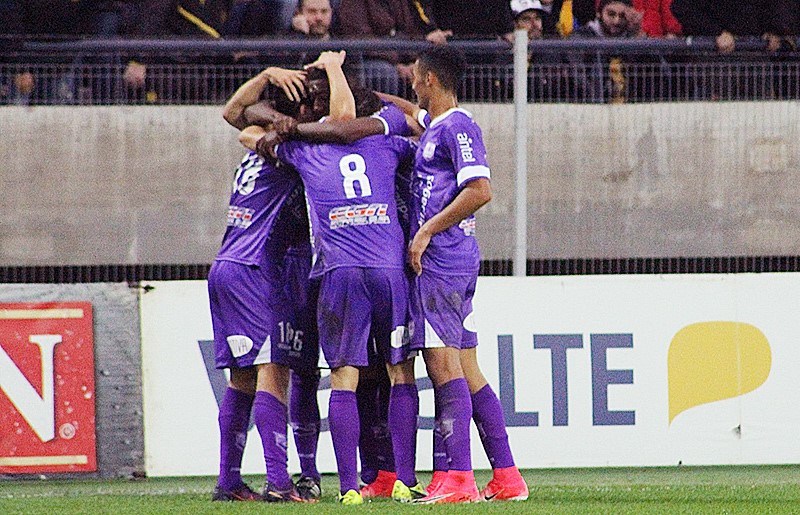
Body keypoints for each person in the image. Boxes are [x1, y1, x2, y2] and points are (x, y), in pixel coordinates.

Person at [240, 55, 423, 505]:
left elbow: (245, 128)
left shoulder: (304, 151)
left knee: (343, 376)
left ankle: (349, 488)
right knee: (400, 370)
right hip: (388, 268)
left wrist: (287, 126)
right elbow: (418, 123)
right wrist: (369, 100)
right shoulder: (387, 143)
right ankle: (406, 479)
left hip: (339, 272)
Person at [403, 45, 528, 503]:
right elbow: (410, 114)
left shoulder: (457, 126)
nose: (411, 83)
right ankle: (507, 476)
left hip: (443, 258)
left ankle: (458, 478)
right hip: (455, 257)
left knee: (442, 364)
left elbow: (480, 189)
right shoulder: (438, 125)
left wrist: (426, 231)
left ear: (430, 80)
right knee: (469, 368)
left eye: (415, 76)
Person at [211, 63, 324, 503]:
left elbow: (234, 114)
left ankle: (229, 481)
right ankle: (279, 482)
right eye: (310, 106)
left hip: (226, 265)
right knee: (273, 373)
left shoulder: (256, 145)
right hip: (256, 269)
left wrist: (265, 76)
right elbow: (240, 120)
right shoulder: (288, 149)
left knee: (240, 381)